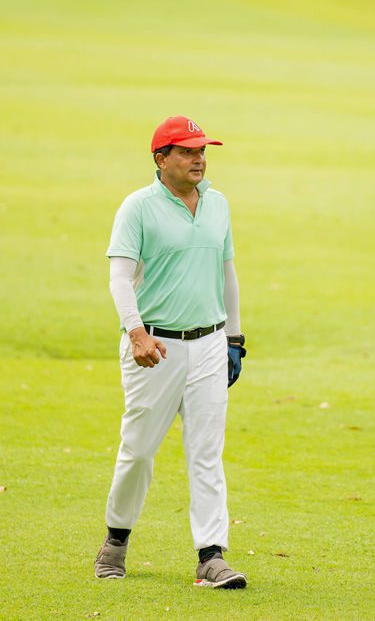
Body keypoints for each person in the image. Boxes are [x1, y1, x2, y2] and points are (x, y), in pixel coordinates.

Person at [94, 115, 248, 589]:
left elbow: (226, 272)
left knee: (207, 452)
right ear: (161, 159)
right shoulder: (138, 208)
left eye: (202, 151)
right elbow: (120, 277)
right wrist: (136, 332)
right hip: (155, 347)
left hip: (209, 344)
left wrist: (234, 339)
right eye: (187, 151)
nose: (199, 159)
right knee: (139, 451)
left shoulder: (218, 204)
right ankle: (116, 540)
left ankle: (211, 557)